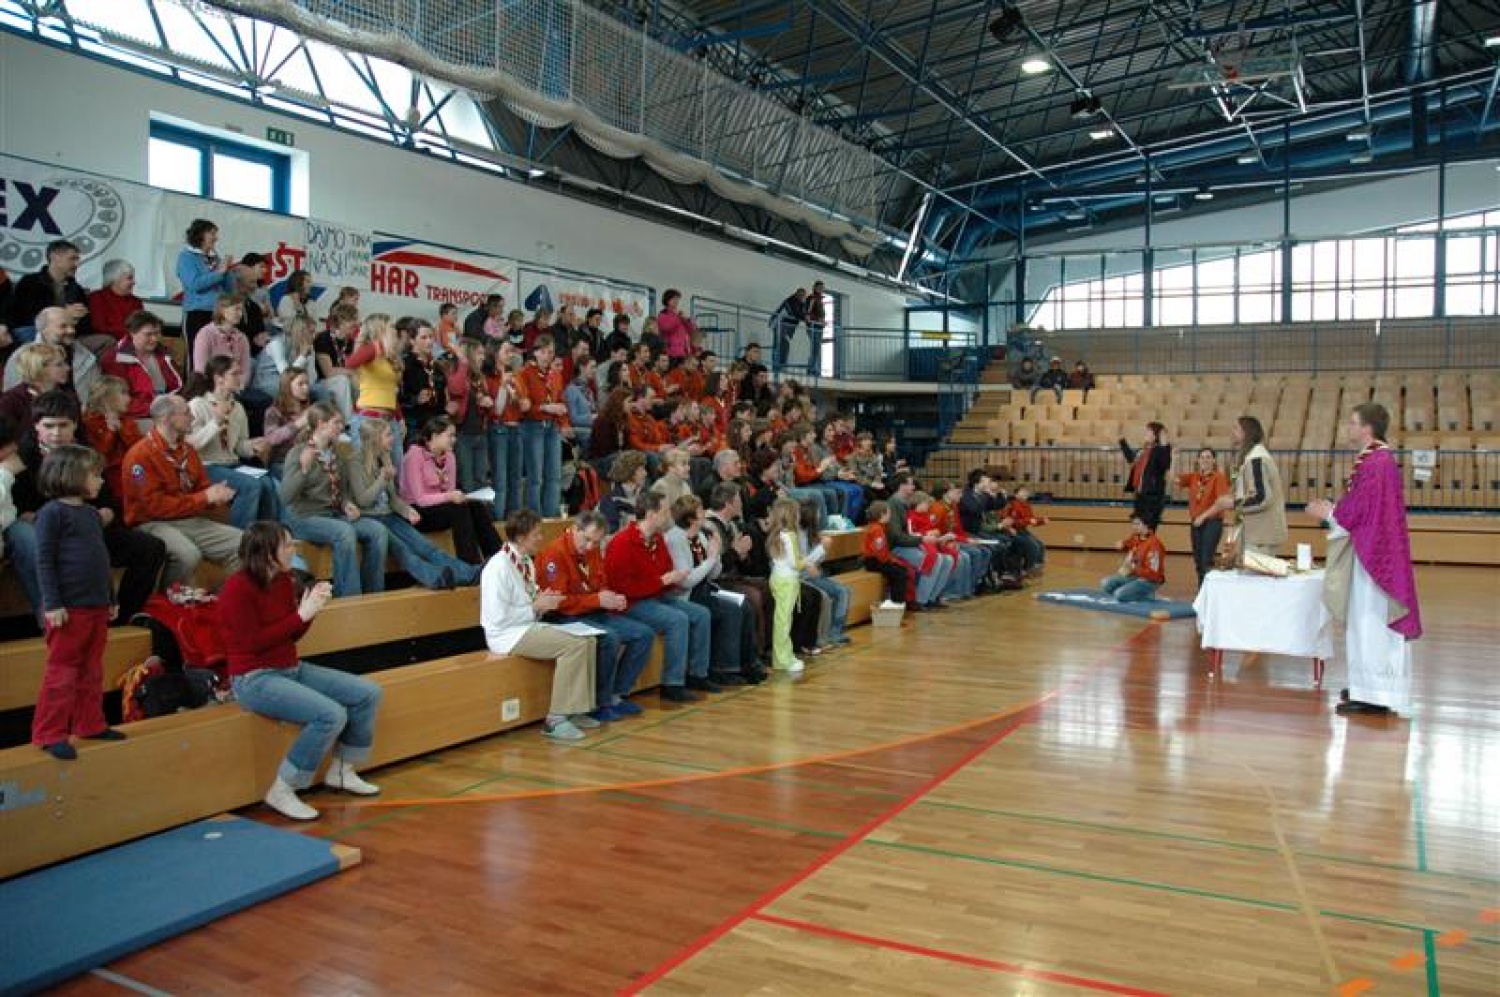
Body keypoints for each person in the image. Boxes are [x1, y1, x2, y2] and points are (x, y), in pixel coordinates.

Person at [220, 522, 383, 820]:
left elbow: (290, 635)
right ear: (268, 553)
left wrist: (310, 611)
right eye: (288, 545)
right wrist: (300, 615)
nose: (294, 549)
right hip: (254, 677)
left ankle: (343, 770)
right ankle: (283, 788)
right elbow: (251, 643)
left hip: (289, 667)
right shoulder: (236, 589)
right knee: (330, 714)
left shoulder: (284, 580)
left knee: (367, 693)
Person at [10, 391, 167, 626]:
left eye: (63, 425)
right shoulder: (22, 458)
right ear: (36, 426)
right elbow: (18, 508)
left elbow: (109, 502)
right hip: (49, 531)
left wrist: (106, 514)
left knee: (151, 547)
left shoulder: (85, 453)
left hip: (90, 525)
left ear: (75, 425)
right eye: (48, 426)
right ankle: (53, 619)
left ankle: (122, 619)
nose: (56, 433)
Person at [1307, 403, 1422, 718]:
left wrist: (1329, 513)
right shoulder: (1377, 461)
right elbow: (1364, 507)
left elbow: (1362, 513)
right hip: (1374, 550)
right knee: (1366, 622)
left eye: (1352, 423)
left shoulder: (1376, 462)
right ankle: (1367, 687)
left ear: (1367, 428)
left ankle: (1375, 694)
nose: (1348, 427)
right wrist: (1336, 510)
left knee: (1369, 620)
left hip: (1375, 557)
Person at [30, 445, 125, 759]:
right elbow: (44, 561)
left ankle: (90, 723)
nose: (100, 481)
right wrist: (52, 604)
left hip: (96, 605)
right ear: (71, 475)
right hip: (68, 609)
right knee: (63, 672)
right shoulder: (52, 514)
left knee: (92, 669)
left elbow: (101, 558)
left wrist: (110, 596)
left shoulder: (90, 515)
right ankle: (49, 732)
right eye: (94, 475)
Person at [480, 509, 599, 741]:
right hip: (505, 635)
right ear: (522, 537)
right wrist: (535, 607)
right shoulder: (498, 567)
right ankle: (555, 720)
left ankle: (575, 709)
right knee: (574, 646)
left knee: (589, 640)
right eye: (536, 534)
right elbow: (497, 619)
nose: (541, 538)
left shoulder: (525, 562)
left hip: (525, 626)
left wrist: (543, 600)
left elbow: (528, 601)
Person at [535, 511, 654, 720]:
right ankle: (599, 702)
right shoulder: (555, 554)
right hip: (564, 616)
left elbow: (599, 580)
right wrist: (598, 600)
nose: (590, 546)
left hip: (591, 611)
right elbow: (559, 603)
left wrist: (611, 597)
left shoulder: (593, 549)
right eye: (587, 539)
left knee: (643, 634)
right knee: (610, 638)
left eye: (596, 542)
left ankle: (617, 694)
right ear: (574, 529)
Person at [604, 490, 713, 702]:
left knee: (701, 614)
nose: (668, 516)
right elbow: (622, 588)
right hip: (631, 602)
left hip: (655, 595)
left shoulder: (656, 539)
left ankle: (697, 674)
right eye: (664, 511)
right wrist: (662, 581)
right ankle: (672, 683)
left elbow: (665, 568)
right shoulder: (622, 543)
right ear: (652, 514)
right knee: (677, 619)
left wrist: (667, 580)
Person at [121, 393, 242, 585]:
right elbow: (155, 507)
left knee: (244, 544)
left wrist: (216, 496)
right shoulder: (140, 456)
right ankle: (167, 605)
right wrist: (204, 498)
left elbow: (202, 487)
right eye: (186, 413)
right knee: (187, 555)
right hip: (151, 523)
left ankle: (218, 602)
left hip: (187, 518)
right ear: (165, 419)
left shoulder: (187, 450)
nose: (192, 418)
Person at [348, 418, 477, 589]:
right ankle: (437, 578)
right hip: (370, 518)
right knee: (404, 551)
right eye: (388, 435)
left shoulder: (385, 459)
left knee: (426, 547)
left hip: (389, 515)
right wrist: (382, 479)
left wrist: (406, 510)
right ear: (375, 438)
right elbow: (363, 500)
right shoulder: (354, 462)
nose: (393, 438)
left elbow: (392, 498)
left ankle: (470, 573)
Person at [279, 403, 388, 598]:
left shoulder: (337, 453)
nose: (342, 427)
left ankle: (373, 596)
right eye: (336, 423)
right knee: (344, 532)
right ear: (321, 424)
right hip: (303, 517)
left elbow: (343, 490)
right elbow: (285, 497)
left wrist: (347, 504)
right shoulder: (298, 452)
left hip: (332, 514)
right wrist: (303, 470)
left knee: (377, 531)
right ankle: (349, 600)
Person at [184, 356, 281, 530]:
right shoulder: (198, 404)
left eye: (240, 373)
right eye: (234, 374)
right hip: (206, 466)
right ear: (218, 378)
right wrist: (217, 422)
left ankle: (268, 539)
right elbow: (191, 445)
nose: (240, 378)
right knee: (251, 485)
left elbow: (238, 447)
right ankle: (240, 541)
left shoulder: (238, 408)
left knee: (267, 482)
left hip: (232, 464)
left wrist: (252, 447)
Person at [400, 416, 500, 565]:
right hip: (416, 511)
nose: (454, 440)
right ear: (434, 436)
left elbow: (450, 490)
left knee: (475, 506)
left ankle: (498, 558)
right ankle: (471, 565)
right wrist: (449, 496)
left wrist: (454, 495)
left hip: (439, 508)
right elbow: (420, 498)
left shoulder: (450, 457)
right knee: (458, 510)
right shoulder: (414, 456)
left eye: (454, 435)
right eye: (450, 435)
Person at [1218, 416, 1285, 558]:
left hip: (1261, 536)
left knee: (1256, 579)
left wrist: (1232, 503)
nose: (1231, 432)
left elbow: (1261, 497)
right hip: (1256, 533)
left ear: (1246, 433)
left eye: (1236, 428)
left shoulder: (1257, 459)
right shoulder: (1252, 458)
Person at [516, 334, 567, 516]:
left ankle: (551, 516)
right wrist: (546, 407)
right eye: (544, 352)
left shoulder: (556, 375)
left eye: (551, 352)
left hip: (552, 427)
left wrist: (561, 411)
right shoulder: (524, 374)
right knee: (535, 477)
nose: (548, 356)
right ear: (535, 353)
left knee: (554, 475)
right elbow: (524, 407)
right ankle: (534, 517)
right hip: (533, 426)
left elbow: (560, 399)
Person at [3, 306, 99, 402]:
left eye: (72, 326)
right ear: (43, 329)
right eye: (63, 326)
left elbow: (96, 395)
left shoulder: (87, 357)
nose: (71, 330)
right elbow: (12, 399)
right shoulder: (20, 357)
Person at [886, 473, 954, 608]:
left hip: (912, 542)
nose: (913, 487)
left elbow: (915, 530)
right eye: (910, 484)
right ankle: (921, 600)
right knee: (935, 559)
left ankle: (931, 597)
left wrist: (925, 537)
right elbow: (896, 536)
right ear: (902, 486)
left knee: (947, 560)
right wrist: (922, 539)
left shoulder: (905, 502)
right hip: (898, 547)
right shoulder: (893, 504)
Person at [101, 311, 183, 423]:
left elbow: (176, 387)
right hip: (136, 417)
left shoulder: (164, 353)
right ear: (132, 333)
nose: (154, 339)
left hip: (167, 409)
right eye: (148, 334)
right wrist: (159, 408)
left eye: (157, 333)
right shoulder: (113, 359)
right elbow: (117, 402)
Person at [5, 239, 92, 342]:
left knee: (105, 340)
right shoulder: (30, 282)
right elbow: (21, 317)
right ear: (54, 257)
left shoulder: (76, 288)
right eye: (72, 259)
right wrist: (65, 313)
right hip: (33, 332)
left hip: (68, 335)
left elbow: (86, 325)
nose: (77, 264)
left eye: (77, 259)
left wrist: (77, 318)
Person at [176, 220, 236, 353]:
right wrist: (219, 272)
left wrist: (228, 270)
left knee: (218, 356)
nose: (216, 238)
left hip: (217, 314)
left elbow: (229, 289)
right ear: (200, 234)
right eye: (212, 233)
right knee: (196, 355)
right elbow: (194, 284)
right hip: (196, 313)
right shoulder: (186, 257)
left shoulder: (215, 258)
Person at [765, 497, 809, 674]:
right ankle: (782, 659)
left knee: (783, 620)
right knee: (783, 621)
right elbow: (795, 563)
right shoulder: (789, 536)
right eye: (797, 513)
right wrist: (814, 557)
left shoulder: (777, 535)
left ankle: (785, 655)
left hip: (777, 578)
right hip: (787, 582)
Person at [1177, 447, 1231, 585]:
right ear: (1198, 460)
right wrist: (1173, 460)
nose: (1205, 460)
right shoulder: (1194, 477)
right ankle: (1202, 592)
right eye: (1202, 457)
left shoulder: (1219, 477)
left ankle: (1207, 593)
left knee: (1206, 560)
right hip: (1196, 523)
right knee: (1198, 560)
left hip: (1212, 523)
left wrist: (1203, 516)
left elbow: (1221, 503)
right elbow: (1174, 480)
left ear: (1214, 460)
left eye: (1208, 457)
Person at [483, 340, 523, 521]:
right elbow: (496, 411)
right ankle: (498, 520)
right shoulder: (489, 377)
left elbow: (521, 407)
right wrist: (502, 386)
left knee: (515, 479)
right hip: (499, 430)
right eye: (506, 351)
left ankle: (514, 520)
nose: (511, 354)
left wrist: (519, 397)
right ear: (495, 353)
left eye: (511, 351)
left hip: (515, 428)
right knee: (500, 479)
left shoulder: (512, 376)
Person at [862, 500, 916, 607]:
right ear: (882, 514)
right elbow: (880, 551)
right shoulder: (877, 529)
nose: (890, 515)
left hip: (877, 560)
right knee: (899, 572)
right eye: (889, 513)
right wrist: (890, 561)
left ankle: (899, 601)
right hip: (874, 561)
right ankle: (897, 603)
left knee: (901, 569)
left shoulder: (878, 527)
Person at [1101, 514, 1165, 603]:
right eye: (1133, 524)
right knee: (1106, 583)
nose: (1134, 527)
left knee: (1119, 595)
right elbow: (1128, 543)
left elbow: (1153, 574)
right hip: (1135, 576)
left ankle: (1149, 596)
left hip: (1149, 581)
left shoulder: (1154, 544)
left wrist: (1133, 568)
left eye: (1137, 524)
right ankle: (1134, 591)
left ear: (1146, 525)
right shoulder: (1136, 537)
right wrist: (1122, 544)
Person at [1119, 421, 1171, 529]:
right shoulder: (1144, 451)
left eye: (1149, 431)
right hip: (1140, 496)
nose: (1145, 433)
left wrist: (1165, 444)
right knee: (1138, 530)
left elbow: (1165, 463)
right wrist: (1122, 441)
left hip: (1152, 498)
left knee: (1148, 531)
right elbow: (1131, 459)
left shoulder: (1159, 450)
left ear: (1156, 435)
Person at [85, 259, 143, 350]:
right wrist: (129, 335)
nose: (134, 282)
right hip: (109, 343)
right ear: (115, 279)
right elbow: (98, 327)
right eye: (129, 278)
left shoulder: (136, 302)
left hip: (133, 342)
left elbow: (141, 325)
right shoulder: (96, 298)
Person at [771, 287, 809, 373]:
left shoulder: (801, 303)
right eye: (802, 296)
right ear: (797, 294)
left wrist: (806, 316)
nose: (803, 298)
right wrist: (805, 317)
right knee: (780, 346)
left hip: (787, 326)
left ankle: (781, 366)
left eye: (804, 297)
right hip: (779, 324)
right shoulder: (790, 301)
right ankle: (777, 368)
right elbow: (795, 313)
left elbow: (803, 313)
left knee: (785, 346)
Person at [656, 289, 697, 360]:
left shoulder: (679, 315)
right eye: (674, 298)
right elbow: (666, 328)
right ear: (667, 300)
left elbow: (692, 330)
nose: (676, 301)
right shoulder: (663, 315)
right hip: (670, 352)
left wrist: (687, 320)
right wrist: (677, 317)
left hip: (684, 352)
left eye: (677, 299)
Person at [804, 280, 827, 377]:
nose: (821, 290)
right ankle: (811, 370)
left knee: (816, 349)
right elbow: (807, 314)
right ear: (815, 288)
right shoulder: (812, 298)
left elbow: (820, 314)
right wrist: (818, 320)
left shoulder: (820, 300)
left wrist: (822, 322)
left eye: (822, 288)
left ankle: (813, 369)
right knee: (815, 349)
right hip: (813, 327)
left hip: (818, 327)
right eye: (820, 288)